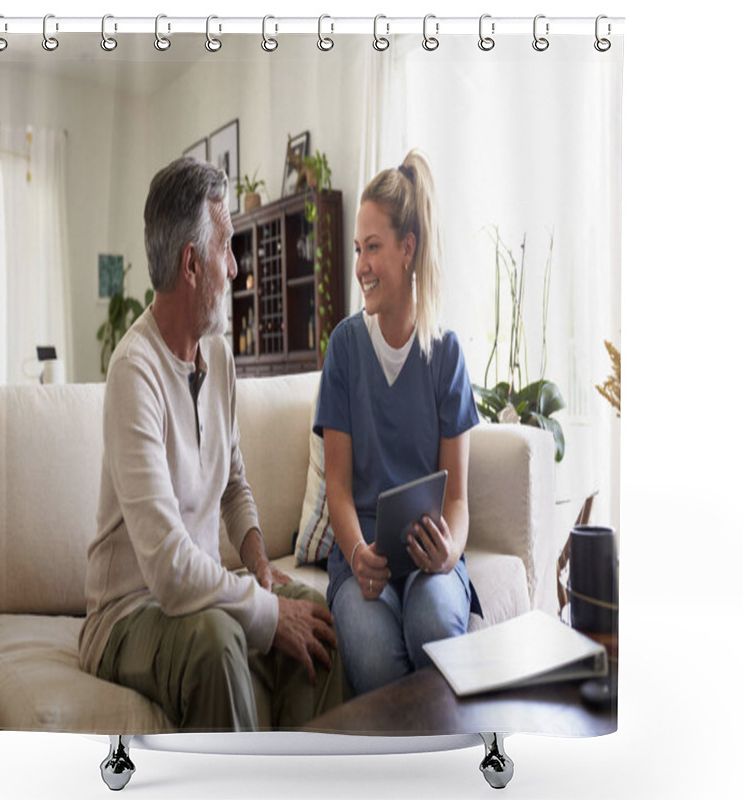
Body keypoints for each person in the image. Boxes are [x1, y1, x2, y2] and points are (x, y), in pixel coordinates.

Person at [78, 157, 344, 732]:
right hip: (129, 613)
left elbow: (234, 485)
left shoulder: (218, 356)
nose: (237, 267)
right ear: (192, 265)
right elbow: (172, 572)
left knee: (317, 613)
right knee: (219, 640)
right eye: (226, 247)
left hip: (194, 599)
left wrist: (260, 570)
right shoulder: (134, 374)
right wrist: (267, 614)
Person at [314, 150, 481, 696]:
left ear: (407, 250)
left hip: (430, 559)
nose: (360, 264)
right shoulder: (344, 347)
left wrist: (450, 553)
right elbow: (337, 486)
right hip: (363, 558)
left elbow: (455, 499)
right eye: (358, 249)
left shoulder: (446, 353)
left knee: (434, 626)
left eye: (374, 248)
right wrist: (358, 553)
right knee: (374, 657)